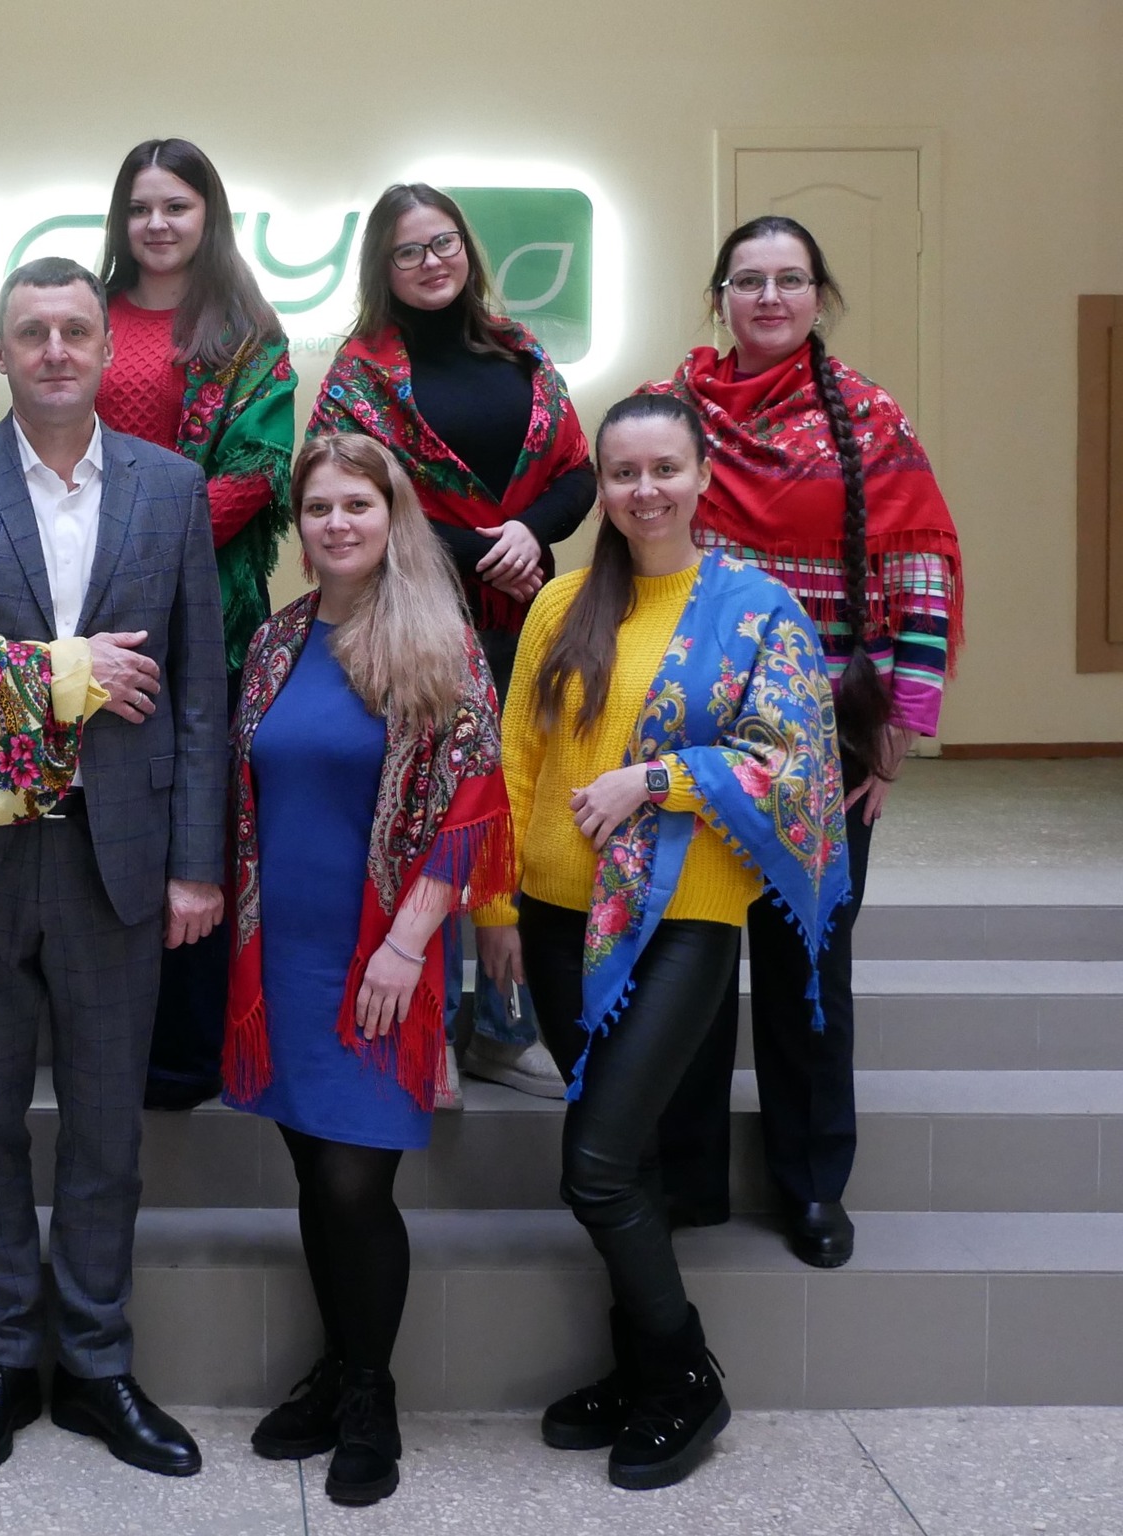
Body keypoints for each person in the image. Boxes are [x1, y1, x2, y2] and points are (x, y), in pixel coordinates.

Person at [0, 257, 226, 1483]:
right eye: (33, 332)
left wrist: (195, 865)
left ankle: (98, 1364)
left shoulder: (170, 489)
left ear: (103, 351)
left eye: (76, 330)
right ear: (1, 351)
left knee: (106, 1132)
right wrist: (50, 675)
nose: (56, 350)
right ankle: (7, 1359)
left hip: (116, 860)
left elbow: (198, 692)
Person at [476, 394, 848, 1491]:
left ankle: (686, 1377)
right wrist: (495, 909)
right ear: (599, 484)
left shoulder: (754, 608)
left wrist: (656, 779)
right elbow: (514, 758)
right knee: (626, 1158)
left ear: (700, 478)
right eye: (623, 472)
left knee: (593, 1164)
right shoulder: (560, 604)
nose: (645, 491)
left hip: (681, 919)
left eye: (664, 469)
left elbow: (792, 761)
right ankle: (640, 1369)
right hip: (554, 913)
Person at [647, 216, 964, 1267]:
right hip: (692, 738)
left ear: (818, 296)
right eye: (748, 280)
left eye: (789, 280)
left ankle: (812, 1182)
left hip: (820, 745)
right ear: (719, 298)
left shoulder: (870, 419)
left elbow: (920, 572)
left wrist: (898, 733)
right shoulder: (673, 412)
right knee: (686, 962)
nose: (769, 298)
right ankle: (684, 1178)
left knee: (807, 967)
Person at [227, 434, 509, 1507]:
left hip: (383, 954)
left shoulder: (435, 640)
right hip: (282, 951)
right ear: (297, 527)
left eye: (358, 504)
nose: (337, 523)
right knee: (314, 1173)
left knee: (355, 1183)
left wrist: (407, 941)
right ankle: (339, 1366)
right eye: (318, 507)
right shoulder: (275, 640)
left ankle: (370, 1397)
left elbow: (473, 804)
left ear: (393, 518)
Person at [309, 183, 593, 1101]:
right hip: (413, 623)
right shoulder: (359, 375)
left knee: (516, 804)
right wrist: (485, 551)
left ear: (466, 249)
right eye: (408, 251)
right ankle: (421, 1018)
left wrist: (529, 536)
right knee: (428, 812)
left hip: (528, 618)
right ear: (381, 268)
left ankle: (505, 1025)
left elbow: (579, 473)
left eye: (443, 244)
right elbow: (350, 501)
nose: (431, 262)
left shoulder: (519, 349)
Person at [94, 136, 298, 1111]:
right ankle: (100, 1036)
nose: (157, 223)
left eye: (176, 205)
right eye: (140, 207)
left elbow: (257, 473)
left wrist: (145, 557)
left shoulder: (247, 332)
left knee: (197, 828)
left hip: (208, 616)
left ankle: (184, 1050)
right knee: (99, 822)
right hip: (82, 615)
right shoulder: (84, 314)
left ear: (208, 215)